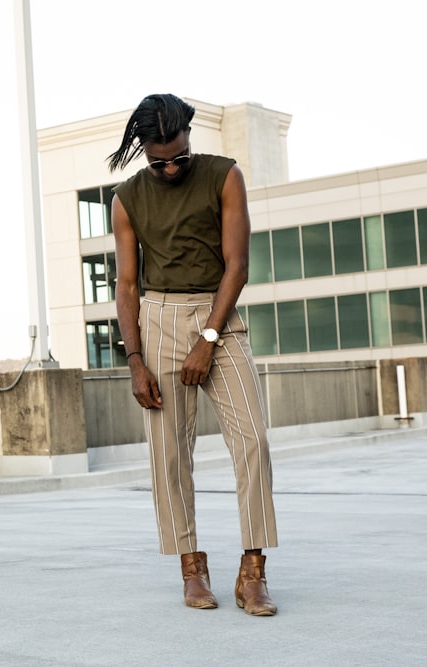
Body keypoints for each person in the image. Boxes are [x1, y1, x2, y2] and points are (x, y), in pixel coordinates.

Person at [108, 94, 278, 616]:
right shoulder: (127, 199)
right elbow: (128, 284)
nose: (173, 166)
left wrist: (207, 337)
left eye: (180, 154)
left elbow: (238, 265)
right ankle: (192, 568)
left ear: (189, 138)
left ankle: (252, 572)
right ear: (143, 151)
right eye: (160, 161)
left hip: (219, 318)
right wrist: (134, 360)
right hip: (157, 320)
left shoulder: (223, 176)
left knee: (252, 439)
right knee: (169, 454)